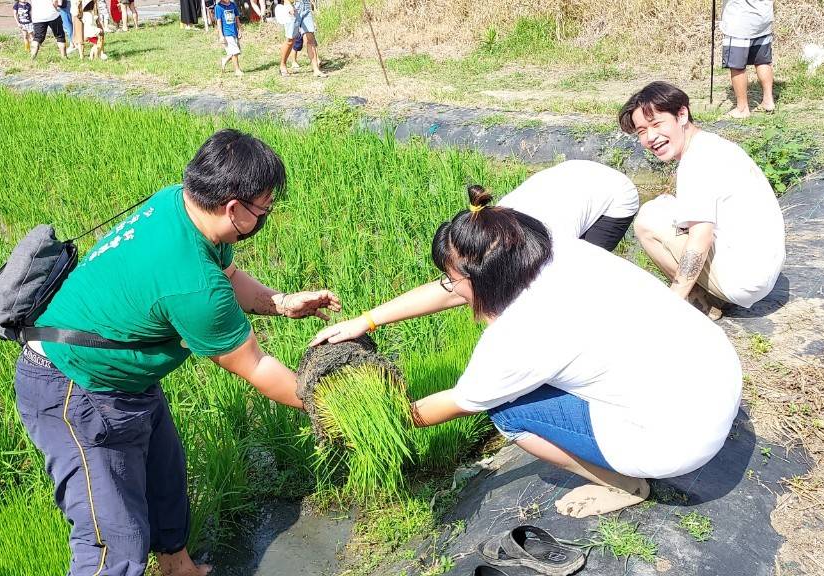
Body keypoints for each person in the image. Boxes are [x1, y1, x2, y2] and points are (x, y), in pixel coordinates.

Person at [16, 129, 341, 576]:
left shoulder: (181, 203)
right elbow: (257, 366)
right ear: (233, 208)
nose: (266, 216)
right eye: (263, 208)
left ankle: (178, 567)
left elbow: (227, 273)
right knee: (114, 542)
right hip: (72, 386)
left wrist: (281, 303)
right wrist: (331, 404)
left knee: (166, 477)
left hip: (123, 376)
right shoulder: (193, 287)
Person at [311, 185, 742, 518]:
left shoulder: (519, 335)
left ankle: (623, 485)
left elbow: (457, 402)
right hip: (715, 378)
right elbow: (454, 290)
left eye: (455, 279)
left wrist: (373, 423)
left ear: (481, 279)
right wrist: (366, 321)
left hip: (680, 440)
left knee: (508, 412)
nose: (452, 289)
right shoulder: (553, 251)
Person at [621, 81, 785, 318]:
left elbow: (701, 238)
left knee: (647, 221)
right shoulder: (711, 145)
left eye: (657, 124)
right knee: (664, 205)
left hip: (743, 281)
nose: (651, 137)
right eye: (642, 131)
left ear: (682, 115)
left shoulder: (697, 162)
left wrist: (671, 305)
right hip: (763, 270)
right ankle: (710, 293)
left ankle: (701, 302)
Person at [497, 160, 640, 252]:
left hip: (616, 192)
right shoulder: (493, 218)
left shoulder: (556, 239)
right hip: (573, 181)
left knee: (586, 268)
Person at [721, 0, 775, 118]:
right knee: (762, 61)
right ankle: (768, 101)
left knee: (737, 66)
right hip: (763, 20)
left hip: (739, 21)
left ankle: (742, 108)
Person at [279, 0, 324, 77]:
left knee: (310, 38)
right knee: (290, 40)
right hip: (293, 6)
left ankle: (316, 70)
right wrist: (288, 4)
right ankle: (282, 65)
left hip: (306, 5)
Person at [273, 0, 303, 68]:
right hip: (291, 8)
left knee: (310, 36)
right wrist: (289, 5)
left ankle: (316, 62)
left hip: (304, 7)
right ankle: (285, 63)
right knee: (292, 40)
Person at [216, 0, 242, 76]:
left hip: (234, 32)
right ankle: (237, 70)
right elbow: (219, 21)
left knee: (236, 50)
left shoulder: (233, 4)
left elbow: (237, 18)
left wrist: (239, 29)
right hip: (227, 33)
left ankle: (225, 60)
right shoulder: (218, 7)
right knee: (235, 52)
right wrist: (221, 35)